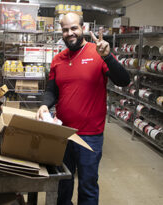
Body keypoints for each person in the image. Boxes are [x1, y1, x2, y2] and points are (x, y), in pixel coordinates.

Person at [36, 13, 130, 205]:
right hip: (62, 132)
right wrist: (45, 105)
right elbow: (52, 90)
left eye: (73, 28)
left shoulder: (98, 52)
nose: (69, 33)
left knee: (87, 186)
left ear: (82, 28)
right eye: (65, 29)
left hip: (90, 136)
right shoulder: (58, 59)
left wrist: (109, 58)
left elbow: (124, 81)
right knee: (63, 184)